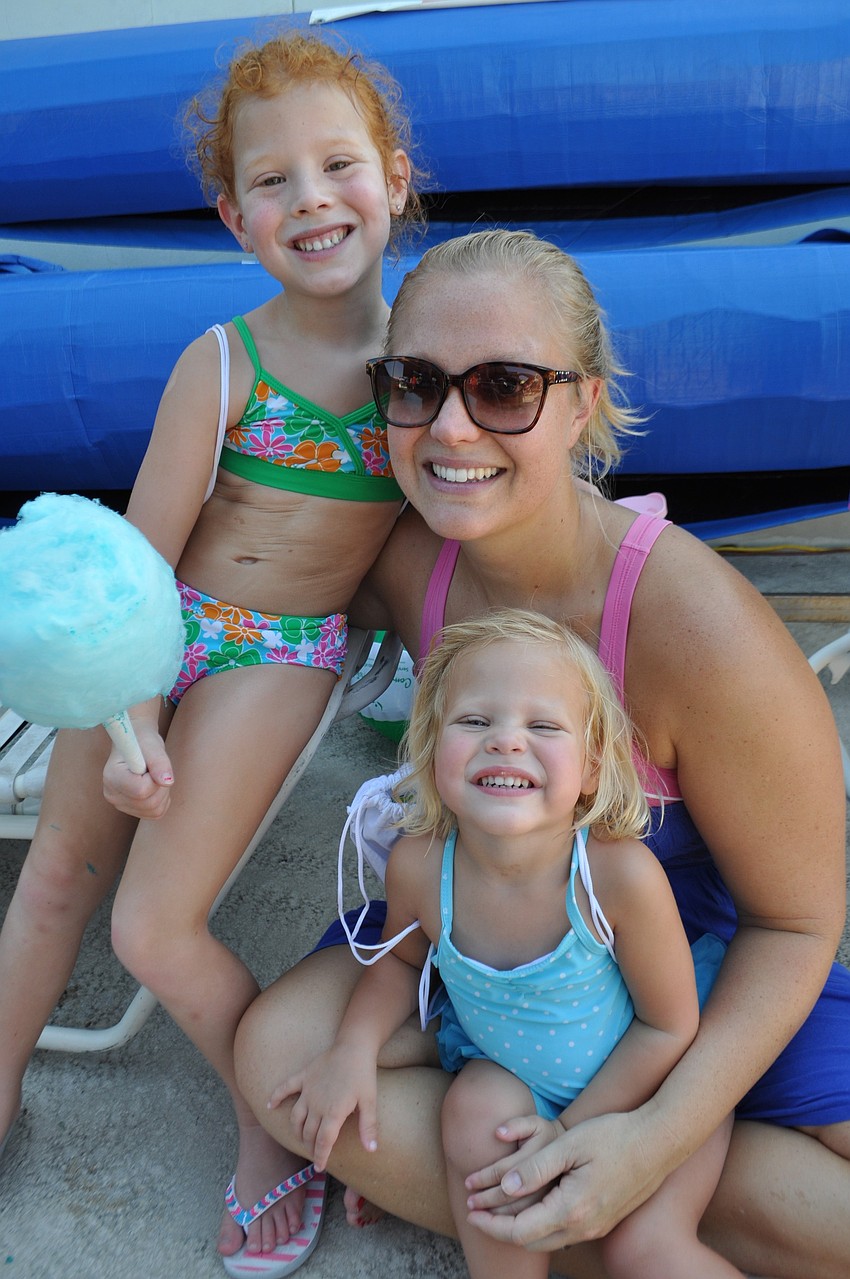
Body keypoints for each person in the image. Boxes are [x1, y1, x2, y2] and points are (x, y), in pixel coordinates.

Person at [234, 229, 850, 1278]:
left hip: (693, 948)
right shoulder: (403, 554)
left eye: (505, 386)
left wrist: (647, 1138)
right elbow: (226, 594)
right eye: (415, 383)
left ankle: (602, 1191)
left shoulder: (694, 625)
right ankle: (588, 1200)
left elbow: (797, 920)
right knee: (280, 1057)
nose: (451, 425)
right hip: (495, 920)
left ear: (584, 402)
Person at [0, 29, 421, 1278]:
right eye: (273, 181)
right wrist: (127, 723)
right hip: (156, 635)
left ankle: (271, 1130)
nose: (311, 198)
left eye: (336, 164)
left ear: (394, 178)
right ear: (235, 217)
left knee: (151, 927)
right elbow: (135, 568)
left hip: (280, 654)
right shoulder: (223, 362)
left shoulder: (419, 371)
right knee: (55, 883)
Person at [277, 607, 743, 1278]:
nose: (506, 742)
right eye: (474, 721)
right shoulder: (420, 863)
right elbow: (403, 961)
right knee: (473, 1106)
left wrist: (570, 1133)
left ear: (590, 766)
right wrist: (353, 1047)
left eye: (543, 725)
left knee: (647, 1252)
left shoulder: (613, 874)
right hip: (509, 1074)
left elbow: (670, 1028)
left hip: (646, 1091)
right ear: (432, 749)